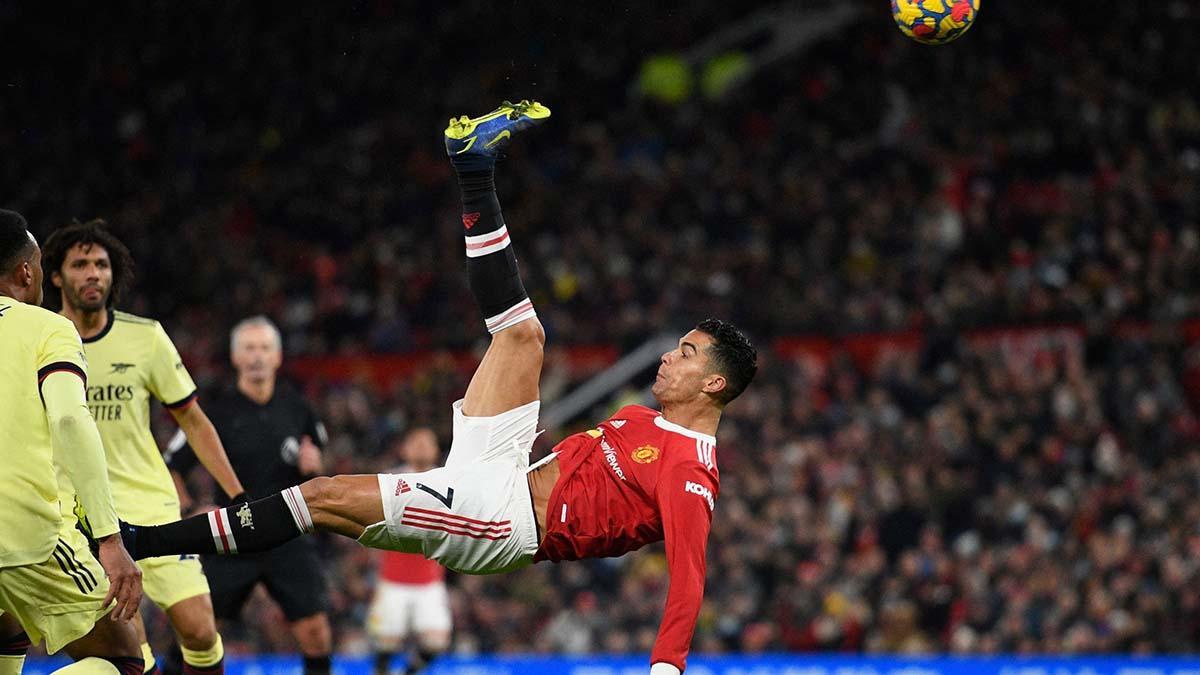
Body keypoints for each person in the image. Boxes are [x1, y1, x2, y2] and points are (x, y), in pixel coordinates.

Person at [121, 101, 758, 675]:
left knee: (320, 495)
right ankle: (473, 167)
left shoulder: (690, 472)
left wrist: (667, 667)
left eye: (687, 354)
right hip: (506, 468)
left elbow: (689, 579)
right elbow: (589, 478)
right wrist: (543, 450)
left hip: (501, 521)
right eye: (677, 346)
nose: (669, 358)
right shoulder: (641, 420)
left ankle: (143, 541)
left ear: (714, 382)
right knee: (523, 337)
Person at [40, 221, 246, 675]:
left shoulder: (145, 336)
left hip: (152, 505)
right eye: (80, 265)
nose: (93, 273)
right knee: (133, 647)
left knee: (199, 631)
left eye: (101, 264)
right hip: (80, 517)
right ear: (56, 276)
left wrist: (235, 494)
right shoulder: (40, 339)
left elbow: (192, 419)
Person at [0, 209, 143, 675]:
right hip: (27, 538)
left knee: (9, 633)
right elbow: (67, 419)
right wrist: (108, 536)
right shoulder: (48, 327)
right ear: (26, 270)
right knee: (123, 658)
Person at [165, 316, 333, 675]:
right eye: (249, 348)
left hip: (288, 533)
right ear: (236, 357)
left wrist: (313, 465)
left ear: (278, 357)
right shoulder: (214, 411)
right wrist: (192, 506)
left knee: (317, 633)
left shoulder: (298, 408)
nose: (257, 356)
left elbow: (314, 461)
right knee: (198, 631)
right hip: (232, 535)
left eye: (264, 348)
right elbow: (171, 464)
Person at [367, 429, 451, 675]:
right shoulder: (392, 480)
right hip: (393, 579)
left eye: (427, 443)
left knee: (437, 642)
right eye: (416, 442)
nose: (422, 448)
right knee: (384, 642)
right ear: (404, 448)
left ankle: (408, 672)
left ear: (436, 450)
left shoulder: (447, 481)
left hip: (429, 581)